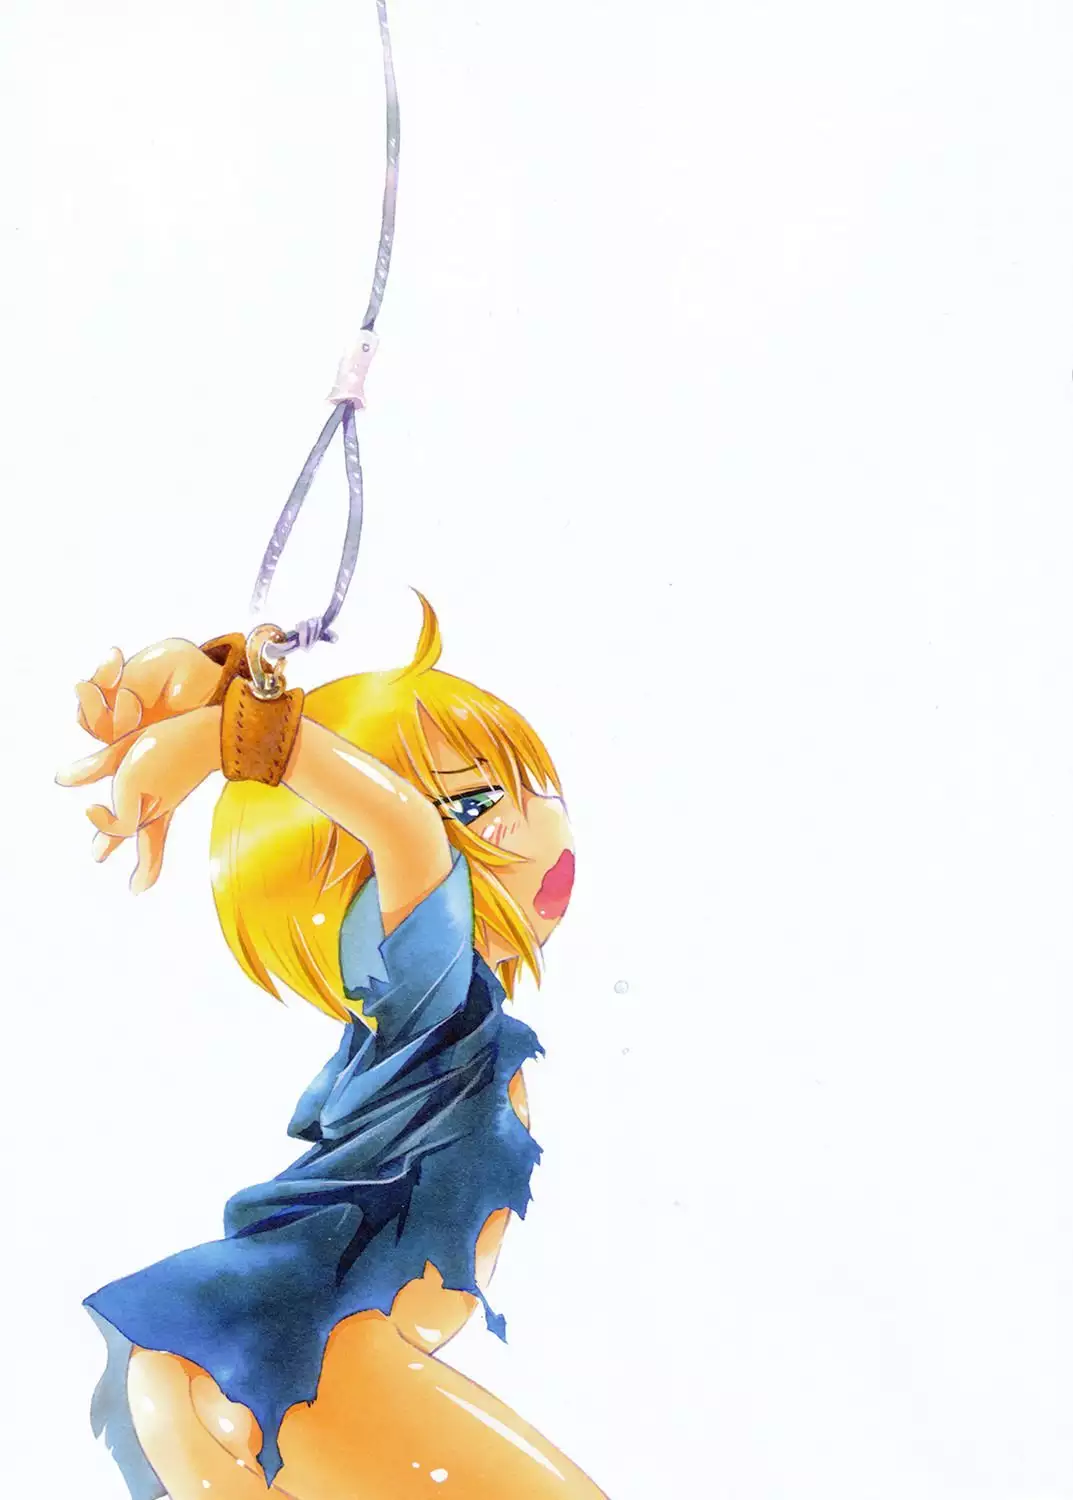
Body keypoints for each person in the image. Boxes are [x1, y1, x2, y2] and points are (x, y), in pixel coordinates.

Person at [58, 593, 601, 1500]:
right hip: (307, 1350)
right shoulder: (434, 1000)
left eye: (529, 791)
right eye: (477, 805)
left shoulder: (413, 1021)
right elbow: (404, 829)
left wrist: (223, 688)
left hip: (259, 1349)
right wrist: (238, 738)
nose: (537, 824)